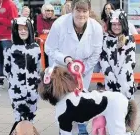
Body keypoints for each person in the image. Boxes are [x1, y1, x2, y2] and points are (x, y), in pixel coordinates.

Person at [44, 0, 103, 134]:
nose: (81, 14)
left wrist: (83, 70)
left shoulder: (96, 28)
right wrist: (65, 58)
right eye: (78, 10)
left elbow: (96, 53)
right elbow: (49, 48)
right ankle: (64, 131)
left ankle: (82, 129)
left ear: (89, 12)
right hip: (62, 71)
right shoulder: (59, 24)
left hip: (84, 71)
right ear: (72, 10)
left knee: (81, 101)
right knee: (65, 104)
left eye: (84, 11)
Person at [3, 17, 41, 134]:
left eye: (25, 29)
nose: (23, 31)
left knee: (31, 116)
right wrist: (14, 82)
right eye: (20, 29)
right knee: (19, 117)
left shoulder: (36, 48)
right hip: (17, 90)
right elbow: (6, 70)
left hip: (33, 89)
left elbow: (38, 67)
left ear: (30, 30)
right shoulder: (10, 49)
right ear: (16, 31)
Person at [100, 9, 136, 99]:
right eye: (114, 24)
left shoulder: (129, 39)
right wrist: (111, 76)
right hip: (110, 81)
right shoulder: (105, 39)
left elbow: (130, 60)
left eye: (119, 24)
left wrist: (121, 78)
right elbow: (103, 59)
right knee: (112, 107)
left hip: (126, 81)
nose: (116, 27)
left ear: (123, 24)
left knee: (127, 107)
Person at [0, 0, 18, 91]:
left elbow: (14, 22)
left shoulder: (10, 4)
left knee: (9, 60)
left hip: (7, 37)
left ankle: (14, 82)